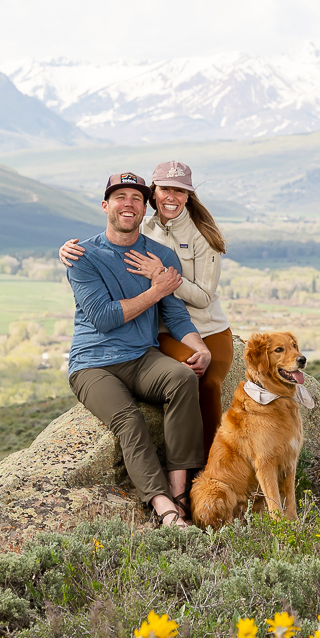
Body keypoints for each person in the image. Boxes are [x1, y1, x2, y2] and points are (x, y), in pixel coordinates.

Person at [65, 171, 213, 527]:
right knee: (129, 420)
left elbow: (174, 314)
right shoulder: (82, 256)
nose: (128, 204)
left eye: (136, 198)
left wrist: (200, 348)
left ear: (144, 208)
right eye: (120, 197)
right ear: (106, 206)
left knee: (182, 378)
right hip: (93, 365)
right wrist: (155, 290)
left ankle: (180, 494)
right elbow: (103, 317)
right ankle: (164, 510)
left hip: (141, 358)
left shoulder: (161, 256)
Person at [61, 160, 233, 458]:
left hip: (203, 326)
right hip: (160, 328)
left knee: (207, 383)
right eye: (165, 189)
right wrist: (67, 251)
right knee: (182, 379)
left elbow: (204, 297)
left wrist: (164, 280)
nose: (171, 197)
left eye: (180, 191)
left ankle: (214, 467)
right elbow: (112, 241)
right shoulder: (143, 226)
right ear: (153, 194)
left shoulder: (203, 235)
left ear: (189, 196)